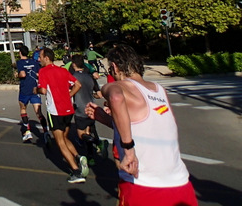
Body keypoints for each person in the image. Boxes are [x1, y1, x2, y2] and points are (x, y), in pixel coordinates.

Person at [86, 44, 197, 206]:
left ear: (115, 67)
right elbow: (150, 127)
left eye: (110, 70)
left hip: (143, 185)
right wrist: (107, 120)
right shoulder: (159, 90)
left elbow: (116, 98)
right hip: (180, 185)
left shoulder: (117, 86)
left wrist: (129, 150)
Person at [35, 47, 87, 184]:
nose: (39, 60)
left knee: (59, 141)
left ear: (47, 58)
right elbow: (78, 84)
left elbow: (43, 91)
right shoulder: (62, 70)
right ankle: (78, 156)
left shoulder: (43, 71)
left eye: (40, 57)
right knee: (65, 136)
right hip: (68, 110)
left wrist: (36, 89)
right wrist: (68, 95)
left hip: (55, 111)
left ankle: (76, 171)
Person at [16, 44, 48, 142]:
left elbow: (23, 74)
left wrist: (17, 75)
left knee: (23, 108)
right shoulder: (34, 62)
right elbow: (39, 74)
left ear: (20, 53)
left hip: (25, 89)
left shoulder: (20, 62)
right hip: (35, 89)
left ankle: (27, 131)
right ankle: (45, 132)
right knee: (39, 113)